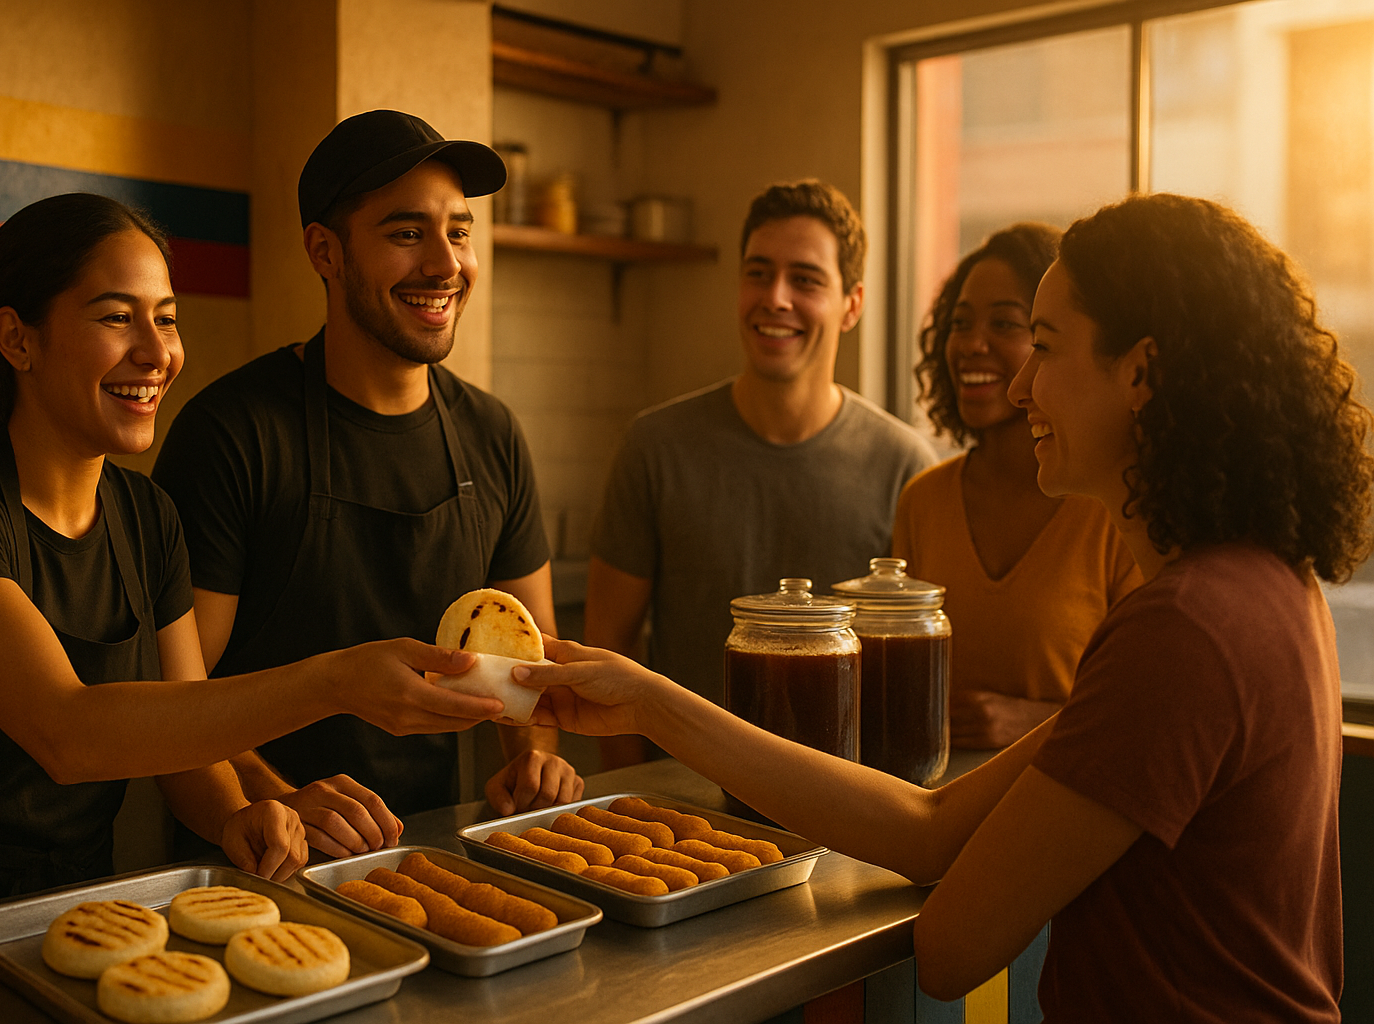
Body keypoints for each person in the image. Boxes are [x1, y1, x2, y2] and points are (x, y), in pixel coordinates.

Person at [519, 192, 1366, 1021]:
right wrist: (653, 701)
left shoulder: (1182, 630)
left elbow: (954, 947)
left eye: (1043, 346)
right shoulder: (1264, 582)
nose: (1021, 385)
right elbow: (929, 826)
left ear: (1140, 373)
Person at [0, 193, 496, 930]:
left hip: (71, 922)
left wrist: (239, 812)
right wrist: (337, 680)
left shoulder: (147, 516)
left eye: (167, 318)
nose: (157, 354)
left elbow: (188, 739)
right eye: (117, 318)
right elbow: (69, 732)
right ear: (18, 340)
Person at [151, 110, 581, 840]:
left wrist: (534, 757)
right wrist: (279, 802)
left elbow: (528, 665)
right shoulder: (232, 434)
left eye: (459, 232)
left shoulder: (492, 434)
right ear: (326, 251)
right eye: (407, 234)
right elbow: (174, 699)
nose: (445, 265)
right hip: (259, 860)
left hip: (429, 857)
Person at [586, 180, 937, 762]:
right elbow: (607, 650)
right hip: (681, 794)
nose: (775, 297)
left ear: (852, 304)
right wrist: (633, 796)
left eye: (806, 279)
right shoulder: (655, 446)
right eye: (758, 273)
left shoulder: (905, 466)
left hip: (846, 795)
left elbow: (916, 680)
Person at [893, 224, 1141, 749]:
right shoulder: (923, 500)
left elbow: (1151, 711)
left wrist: (1034, 722)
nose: (971, 344)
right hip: (925, 790)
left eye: (1005, 323)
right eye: (959, 324)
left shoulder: (1117, 510)